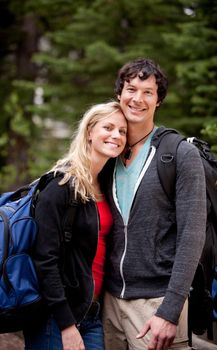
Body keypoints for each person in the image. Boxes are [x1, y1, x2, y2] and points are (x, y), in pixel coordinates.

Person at [102, 58, 207, 350]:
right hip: (109, 302)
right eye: (131, 89)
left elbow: (192, 236)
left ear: (158, 100)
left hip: (157, 303)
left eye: (148, 92)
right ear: (119, 94)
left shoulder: (180, 155)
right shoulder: (109, 154)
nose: (137, 98)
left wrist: (170, 311)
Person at [23, 101, 127, 350]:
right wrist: (66, 325)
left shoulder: (107, 187)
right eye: (108, 127)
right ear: (90, 132)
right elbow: (45, 259)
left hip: (92, 313)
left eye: (122, 131)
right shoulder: (61, 186)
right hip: (56, 316)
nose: (116, 135)